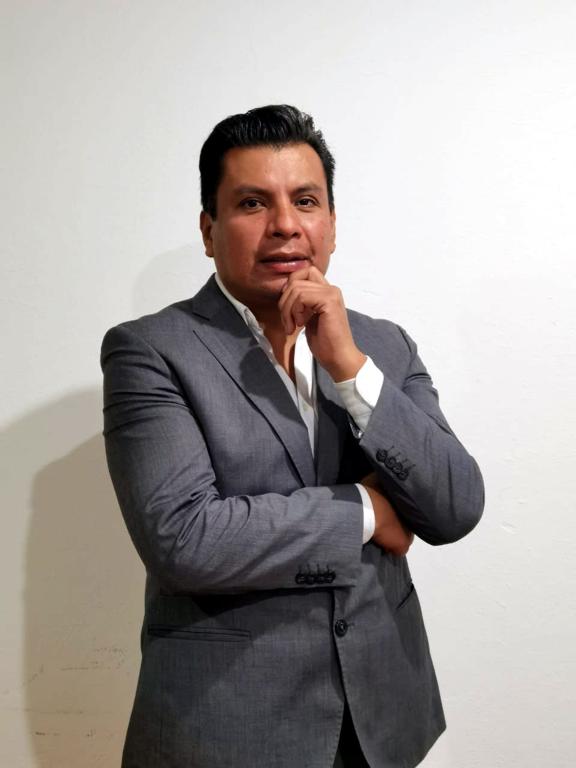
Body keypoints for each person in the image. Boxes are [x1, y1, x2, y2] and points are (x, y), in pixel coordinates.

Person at [101, 104, 484, 768]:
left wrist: (349, 367)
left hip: (382, 720)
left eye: (305, 201)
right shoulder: (151, 351)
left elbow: (455, 506)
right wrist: (367, 510)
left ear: (331, 222)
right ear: (208, 229)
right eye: (252, 203)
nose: (284, 224)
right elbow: (185, 541)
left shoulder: (383, 345)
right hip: (227, 729)